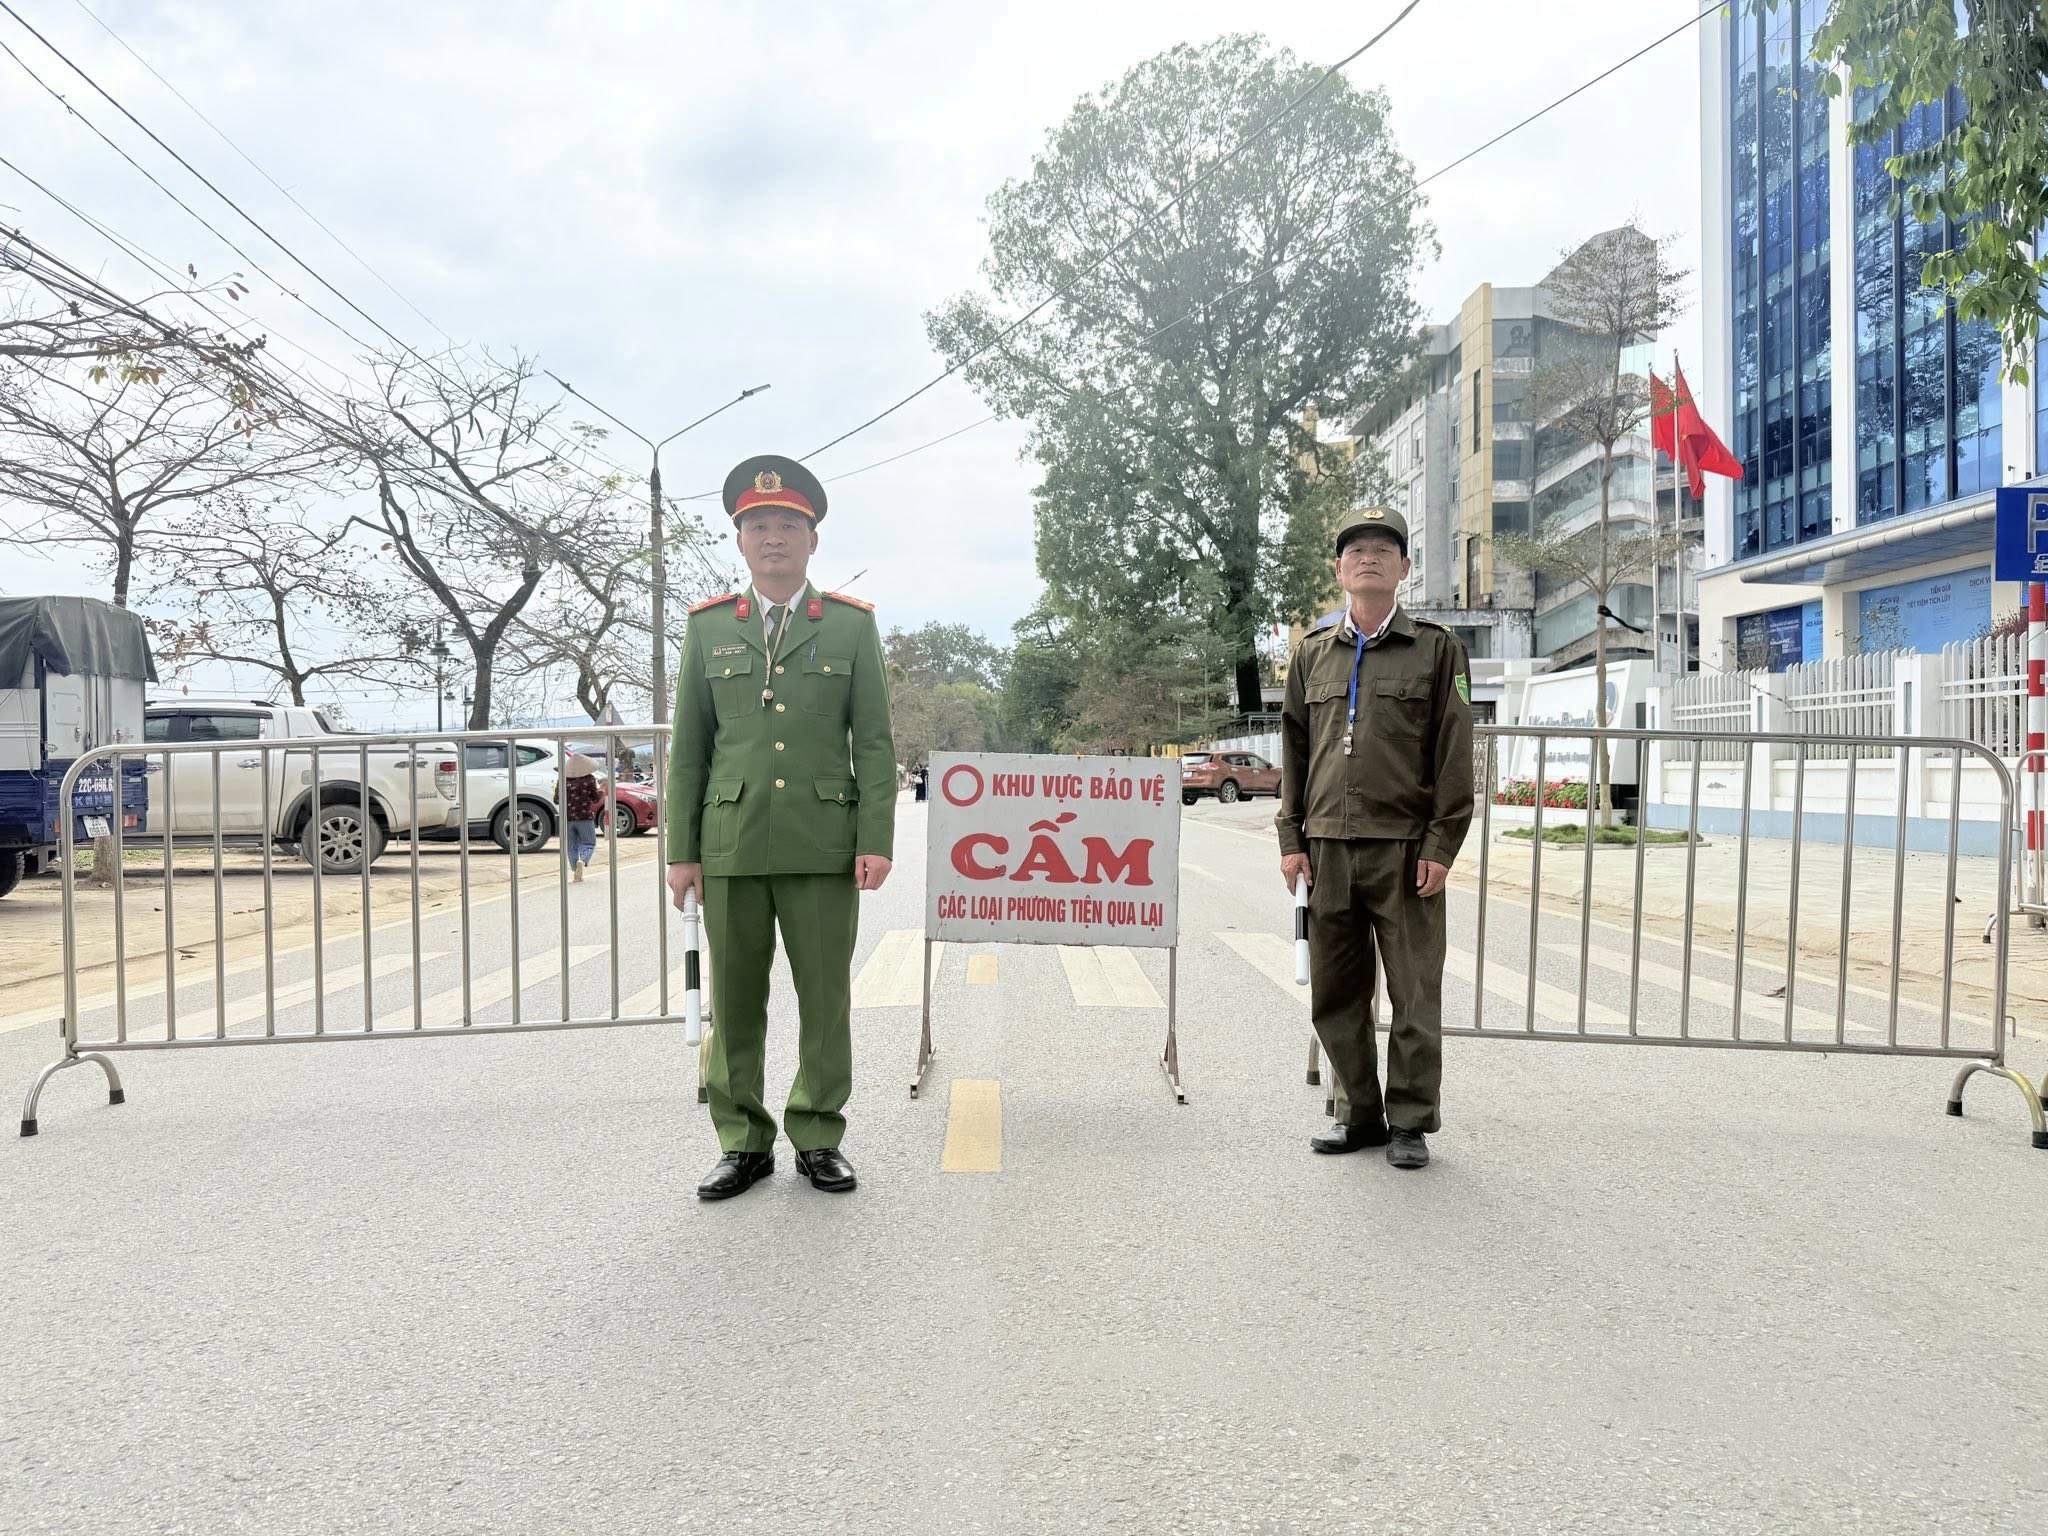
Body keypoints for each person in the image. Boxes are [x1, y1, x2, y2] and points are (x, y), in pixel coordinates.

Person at [666, 453, 896, 1201]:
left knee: (824, 995)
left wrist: (875, 837)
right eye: (758, 525)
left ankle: (819, 1131)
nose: (773, 538)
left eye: (788, 525)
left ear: (812, 540)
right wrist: (680, 853)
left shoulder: (852, 628)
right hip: (729, 841)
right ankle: (742, 1141)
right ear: (740, 540)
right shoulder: (707, 629)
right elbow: (689, 748)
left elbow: (877, 741)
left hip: (824, 843)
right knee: (735, 1001)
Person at [1276, 507, 1472, 1171]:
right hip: (1328, 845)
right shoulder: (1312, 653)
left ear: (1404, 568)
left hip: (1406, 849)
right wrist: (1290, 836)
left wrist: (1442, 845)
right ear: (1339, 567)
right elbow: (1296, 751)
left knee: (1414, 992)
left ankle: (1410, 1121)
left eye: (1383, 549)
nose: (1369, 557)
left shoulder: (1436, 648)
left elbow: (1453, 751)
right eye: (1356, 549)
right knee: (1337, 992)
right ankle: (1357, 1113)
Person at [561, 754, 606, 882]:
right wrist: (602, 790)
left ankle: (576, 870)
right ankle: (583, 859)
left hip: (567, 818)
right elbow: (595, 799)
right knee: (588, 843)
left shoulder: (563, 780)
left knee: (571, 846)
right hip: (584, 817)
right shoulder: (590, 780)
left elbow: (557, 799)